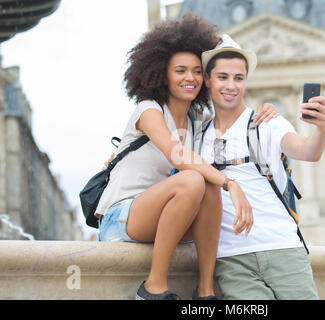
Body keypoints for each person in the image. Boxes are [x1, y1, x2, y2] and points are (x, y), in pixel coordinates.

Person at [95, 13, 278, 300]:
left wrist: (267, 110)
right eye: (180, 70)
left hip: (169, 217)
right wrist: (231, 184)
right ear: (161, 73)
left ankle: (205, 291)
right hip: (122, 217)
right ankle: (152, 287)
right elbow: (178, 155)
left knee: (206, 183)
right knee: (194, 178)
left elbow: (234, 119)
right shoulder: (149, 110)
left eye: (196, 71)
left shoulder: (197, 119)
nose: (190, 78)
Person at [197, 34, 325, 300]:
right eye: (223, 77)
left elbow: (307, 151)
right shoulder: (197, 134)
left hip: (283, 247)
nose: (231, 86)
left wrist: (322, 128)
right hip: (232, 259)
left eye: (239, 78)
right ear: (208, 80)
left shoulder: (266, 122)